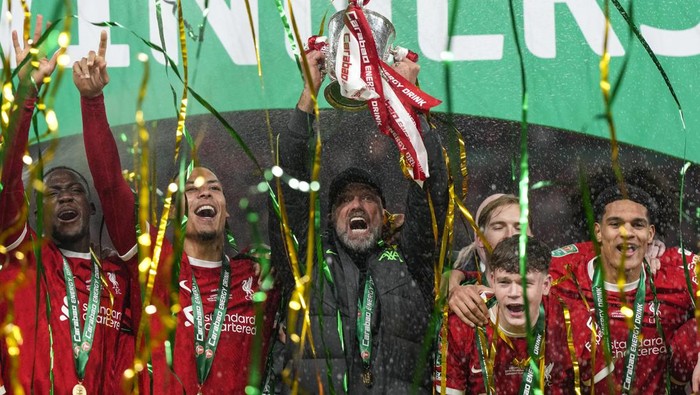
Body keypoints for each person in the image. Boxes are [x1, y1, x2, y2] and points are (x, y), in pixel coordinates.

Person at [77, 31, 279, 393]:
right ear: (177, 212)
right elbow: (110, 188)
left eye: (214, 188)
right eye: (192, 189)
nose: (205, 191)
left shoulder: (255, 278)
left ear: (226, 211)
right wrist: (93, 101)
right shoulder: (154, 266)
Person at [268, 49, 447, 393]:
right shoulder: (307, 266)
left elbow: (432, 188)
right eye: (345, 200)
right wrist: (308, 95)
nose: (356, 205)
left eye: (367, 198)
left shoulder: (412, 265)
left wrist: (411, 109)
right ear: (331, 218)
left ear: (384, 213)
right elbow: (287, 190)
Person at [0, 17, 133, 394]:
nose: (66, 195)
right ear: (36, 215)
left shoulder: (120, 276)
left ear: (92, 208)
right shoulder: (22, 260)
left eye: (74, 189)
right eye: (53, 193)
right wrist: (26, 94)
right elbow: (6, 182)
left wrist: (93, 102)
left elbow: (112, 185)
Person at [549, 184, 699, 393]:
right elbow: (506, 282)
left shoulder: (678, 270)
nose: (627, 232)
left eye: (637, 225)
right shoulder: (561, 272)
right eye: (615, 224)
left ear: (650, 234)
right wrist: (485, 298)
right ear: (598, 232)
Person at [437, 235, 575, 394]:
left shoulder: (568, 319)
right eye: (505, 282)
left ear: (545, 285)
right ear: (492, 281)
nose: (514, 293)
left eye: (525, 283)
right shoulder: (462, 324)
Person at [447, 194, 532, 327]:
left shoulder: (557, 283)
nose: (510, 235)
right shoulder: (461, 301)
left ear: (532, 237)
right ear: (479, 238)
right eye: (498, 227)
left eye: (519, 227)